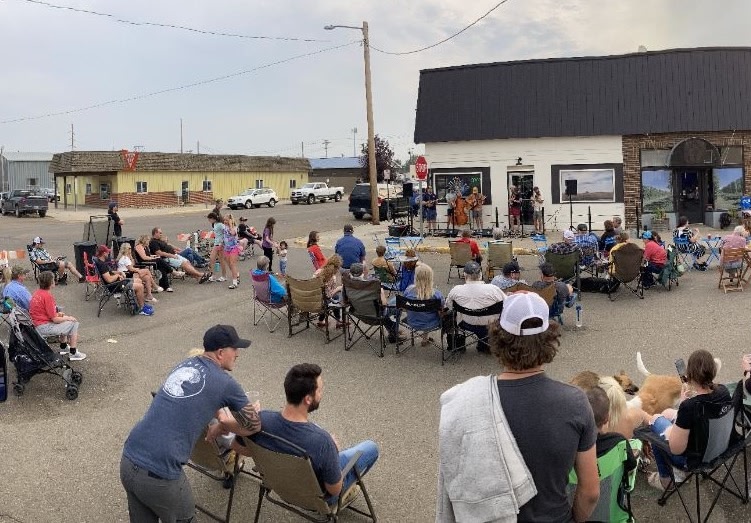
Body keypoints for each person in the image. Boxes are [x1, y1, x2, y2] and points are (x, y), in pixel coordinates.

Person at [437, 292, 599, 522]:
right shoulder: (575, 403)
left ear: (498, 337)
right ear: (549, 339)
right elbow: (590, 492)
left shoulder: (464, 401)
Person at [120, 325, 261, 522]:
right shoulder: (225, 382)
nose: (237, 354)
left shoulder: (185, 364)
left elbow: (199, 402)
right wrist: (228, 424)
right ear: (221, 352)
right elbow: (253, 425)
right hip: (159, 473)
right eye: (235, 349)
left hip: (129, 458)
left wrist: (221, 423)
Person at [248, 363, 378, 503]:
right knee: (371, 447)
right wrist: (332, 451)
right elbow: (334, 489)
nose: (322, 394)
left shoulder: (261, 419)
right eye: (320, 390)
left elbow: (238, 447)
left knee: (318, 436)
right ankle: (345, 487)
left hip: (280, 487)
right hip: (317, 500)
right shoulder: (322, 441)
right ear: (308, 399)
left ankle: (330, 462)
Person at [645, 349, 730, 490]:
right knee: (666, 413)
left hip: (693, 460)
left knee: (654, 420)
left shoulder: (689, 407)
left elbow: (676, 449)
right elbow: (704, 406)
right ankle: (674, 473)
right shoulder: (723, 391)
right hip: (718, 449)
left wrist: (683, 406)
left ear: (690, 375)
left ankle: (666, 479)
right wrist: (685, 403)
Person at [446, 261, 506, 354]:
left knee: (454, 315)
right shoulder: (493, 289)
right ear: (480, 274)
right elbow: (507, 305)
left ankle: (460, 345)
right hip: (490, 324)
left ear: (464, 275)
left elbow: (449, 306)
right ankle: (486, 344)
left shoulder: (456, 290)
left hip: (466, 323)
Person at [29, 271, 86, 361]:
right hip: (44, 327)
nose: (55, 281)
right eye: (53, 280)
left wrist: (60, 316)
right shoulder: (47, 296)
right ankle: (73, 353)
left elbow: (46, 313)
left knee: (65, 320)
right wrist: (68, 317)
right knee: (74, 322)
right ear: (50, 282)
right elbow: (55, 319)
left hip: (37, 325)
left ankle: (64, 347)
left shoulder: (37, 293)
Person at [586, 386, 638, 481]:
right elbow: (631, 465)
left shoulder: (574, 443)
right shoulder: (618, 441)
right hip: (611, 491)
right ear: (607, 419)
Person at [94, 245, 152, 316]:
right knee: (140, 286)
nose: (108, 254)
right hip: (115, 285)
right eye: (107, 252)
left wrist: (119, 272)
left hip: (118, 282)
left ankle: (140, 303)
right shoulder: (102, 265)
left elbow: (110, 272)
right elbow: (109, 280)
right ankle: (142, 308)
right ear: (104, 253)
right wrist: (118, 276)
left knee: (138, 280)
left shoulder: (101, 261)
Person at [403, 263, 443, 346]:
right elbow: (441, 312)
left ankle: (425, 339)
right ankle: (425, 339)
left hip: (412, 321)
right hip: (432, 323)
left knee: (421, 311)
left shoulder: (408, 291)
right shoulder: (436, 294)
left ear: (416, 276)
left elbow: (405, 307)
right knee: (428, 313)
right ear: (430, 277)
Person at [315, 255, 343, 328]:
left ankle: (321, 321)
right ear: (337, 267)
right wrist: (338, 289)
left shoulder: (318, 272)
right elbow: (329, 295)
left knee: (330, 298)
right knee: (336, 297)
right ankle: (338, 321)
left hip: (313, 299)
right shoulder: (332, 277)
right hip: (322, 302)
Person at [206, 212, 228, 283]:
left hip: (220, 244)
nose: (209, 221)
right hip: (216, 244)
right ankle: (213, 275)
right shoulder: (214, 224)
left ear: (213, 218)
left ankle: (224, 276)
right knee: (212, 259)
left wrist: (222, 242)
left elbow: (226, 232)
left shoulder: (220, 225)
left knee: (220, 260)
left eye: (209, 219)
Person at [222, 214, 241, 289]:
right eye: (224, 220)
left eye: (226, 220)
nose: (225, 221)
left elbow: (233, 233)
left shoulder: (235, 228)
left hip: (234, 247)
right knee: (229, 264)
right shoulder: (224, 227)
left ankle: (234, 282)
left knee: (232, 264)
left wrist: (230, 224)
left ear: (230, 220)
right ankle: (237, 274)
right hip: (226, 248)